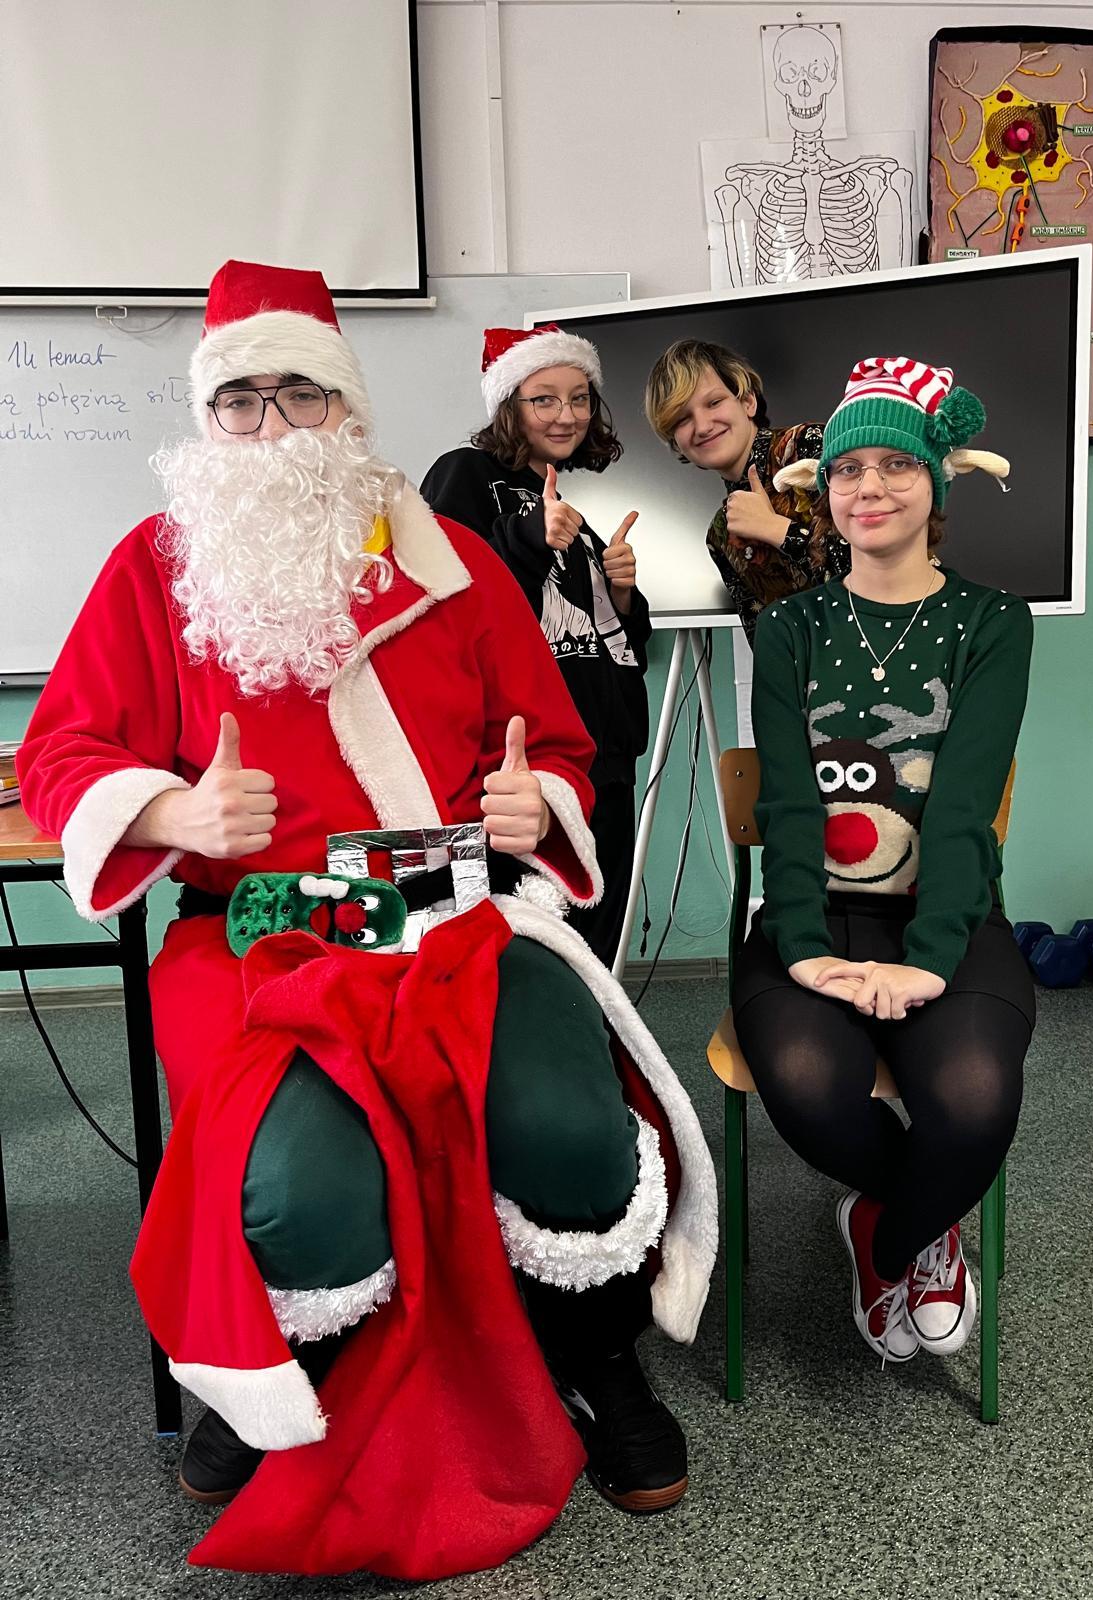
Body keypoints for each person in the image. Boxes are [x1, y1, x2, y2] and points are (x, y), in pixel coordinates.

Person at [16, 261, 717, 1580]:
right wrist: (171, 811)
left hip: (457, 915)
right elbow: (62, 755)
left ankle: (591, 1350)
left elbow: (560, 747)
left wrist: (536, 801)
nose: (271, 426)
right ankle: (286, 1361)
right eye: (240, 400)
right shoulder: (155, 568)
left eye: (301, 394)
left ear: (348, 407)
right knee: (301, 1183)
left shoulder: (451, 558)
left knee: (567, 1127)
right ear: (205, 419)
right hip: (252, 935)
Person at [731, 354, 1034, 1366]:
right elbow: (786, 801)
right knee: (806, 1084)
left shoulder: (992, 621)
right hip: (814, 912)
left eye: (896, 466)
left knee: (974, 1098)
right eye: (848, 469)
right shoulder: (787, 626)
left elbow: (962, 808)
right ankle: (920, 1211)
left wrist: (932, 958)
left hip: (945, 912)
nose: (870, 487)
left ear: (935, 484)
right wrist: (803, 947)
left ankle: (893, 1235)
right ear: (821, 491)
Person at [421, 325, 649, 966]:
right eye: (543, 399)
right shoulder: (464, 473)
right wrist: (527, 536)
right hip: (522, 763)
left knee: (595, 935)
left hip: (602, 753)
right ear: (507, 405)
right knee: (527, 942)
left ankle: (596, 1030)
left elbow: (614, 642)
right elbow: (443, 595)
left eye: (579, 398)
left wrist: (622, 593)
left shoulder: (570, 510)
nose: (566, 414)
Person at [643, 337, 851, 643]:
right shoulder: (720, 534)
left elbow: (872, 571)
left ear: (748, 402)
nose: (702, 426)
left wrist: (776, 529)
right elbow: (764, 642)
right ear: (676, 441)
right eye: (682, 418)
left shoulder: (809, 446)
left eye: (714, 402)